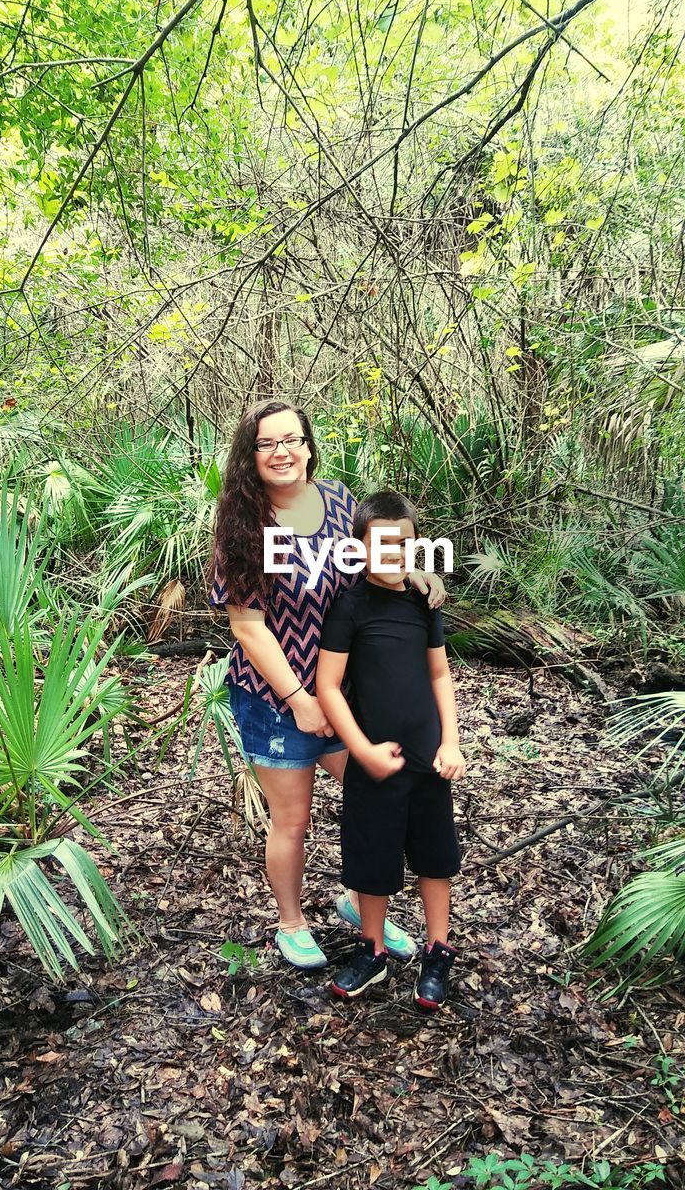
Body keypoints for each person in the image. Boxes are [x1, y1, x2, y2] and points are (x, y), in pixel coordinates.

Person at [208, 400, 446, 971]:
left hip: (347, 690)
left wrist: (412, 570)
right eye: (266, 444)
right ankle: (291, 921)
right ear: (252, 455)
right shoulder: (243, 522)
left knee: (372, 799)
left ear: (309, 445)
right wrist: (300, 699)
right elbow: (247, 624)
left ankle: (361, 904)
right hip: (275, 697)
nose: (281, 452)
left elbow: (372, 555)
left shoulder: (339, 501)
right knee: (293, 818)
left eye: (291, 439)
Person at [316, 489, 466, 1011]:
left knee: (434, 855)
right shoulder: (349, 605)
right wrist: (361, 749)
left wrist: (451, 740)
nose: (390, 554)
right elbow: (329, 687)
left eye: (401, 544)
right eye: (378, 545)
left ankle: (438, 950)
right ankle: (372, 949)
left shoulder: (423, 603)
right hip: (372, 758)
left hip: (428, 757)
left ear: (415, 545)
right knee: (372, 856)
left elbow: (439, 672)